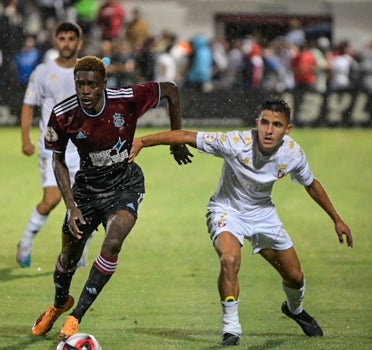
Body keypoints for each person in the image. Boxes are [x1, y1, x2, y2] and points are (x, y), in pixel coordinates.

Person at [128, 98, 353, 346]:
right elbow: (186, 135)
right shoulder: (235, 143)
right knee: (230, 259)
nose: (268, 130)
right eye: (264, 122)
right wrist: (142, 141)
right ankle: (231, 329)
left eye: (276, 125)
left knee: (295, 277)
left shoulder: (293, 153)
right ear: (256, 122)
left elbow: (311, 184)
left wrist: (337, 220)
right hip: (227, 211)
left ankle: (295, 310)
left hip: (264, 214)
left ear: (287, 130)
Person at [30, 55, 193, 338]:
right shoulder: (63, 114)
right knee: (68, 258)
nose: (85, 91)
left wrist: (176, 140)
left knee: (113, 241)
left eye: (91, 85)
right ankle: (59, 305)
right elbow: (58, 161)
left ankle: (76, 316)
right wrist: (71, 207)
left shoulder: (126, 99)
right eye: (79, 84)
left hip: (124, 186)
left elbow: (171, 90)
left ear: (104, 84)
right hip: (86, 191)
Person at [17, 22, 90, 268]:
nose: (67, 43)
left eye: (72, 38)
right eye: (62, 38)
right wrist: (25, 138)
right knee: (52, 199)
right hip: (52, 147)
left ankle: (78, 253)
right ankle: (26, 240)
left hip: (81, 148)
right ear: (55, 41)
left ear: (79, 42)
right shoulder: (43, 71)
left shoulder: (87, 72)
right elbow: (28, 105)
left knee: (85, 201)